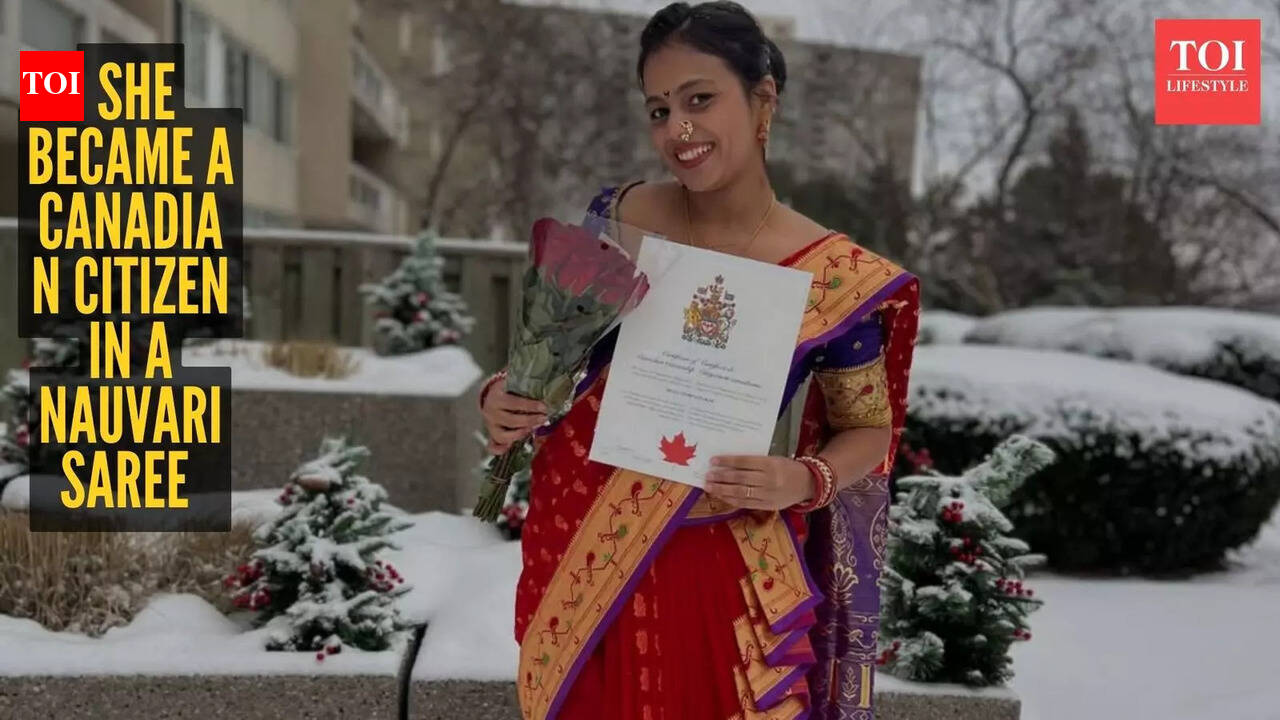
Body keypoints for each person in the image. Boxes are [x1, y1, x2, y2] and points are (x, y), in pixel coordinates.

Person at [478, 3, 920, 718]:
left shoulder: (835, 275)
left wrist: (805, 478)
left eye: (700, 99)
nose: (677, 131)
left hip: (725, 568)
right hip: (585, 542)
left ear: (763, 98)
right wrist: (508, 395)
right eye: (658, 109)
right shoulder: (621, 215)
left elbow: (870, 430)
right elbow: (568, 357)